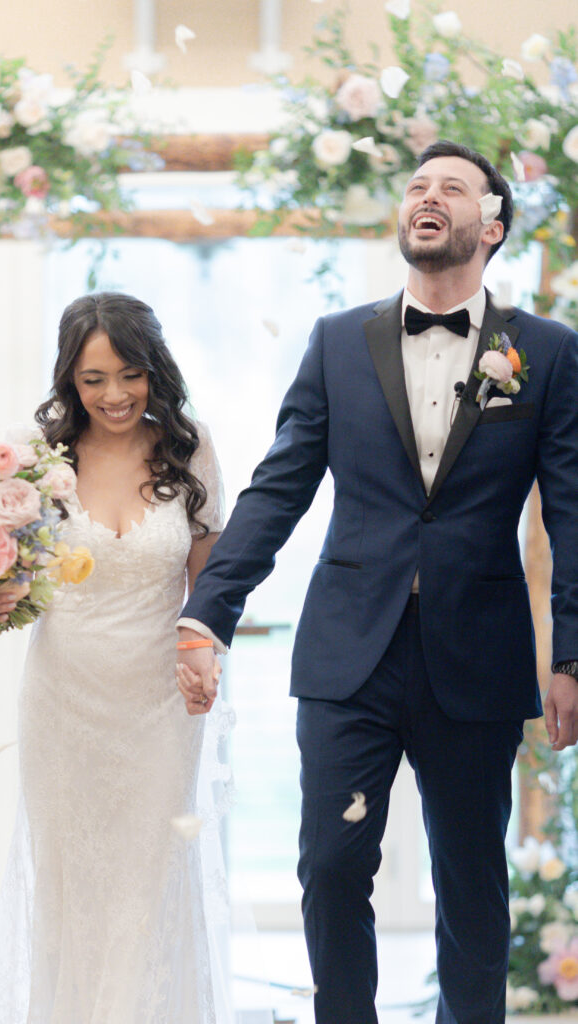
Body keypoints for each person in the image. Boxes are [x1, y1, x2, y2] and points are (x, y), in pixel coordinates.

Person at [176, 141, 578, 1024]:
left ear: (492, 225)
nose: (427, 197)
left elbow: (570, 512)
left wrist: (571, 658)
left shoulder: (545, 354)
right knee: (329, 864)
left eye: (451, 188)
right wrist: (208, 613)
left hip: (475, 655)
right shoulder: (336, 343)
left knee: (472, 882)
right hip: (348, 654)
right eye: (415, 187)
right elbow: (279, 488)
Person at [0, 292, 227, 1024]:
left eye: (130, 374)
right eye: (93, 379)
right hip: (63, 700)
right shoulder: (34, 457)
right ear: (69, 381)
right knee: (70, 886)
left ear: (154, 370)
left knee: (148, 882)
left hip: (159, 700)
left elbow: (210, 583)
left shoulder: (189, 446)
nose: (114, 395)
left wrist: (203, 649)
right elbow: (15, 583)